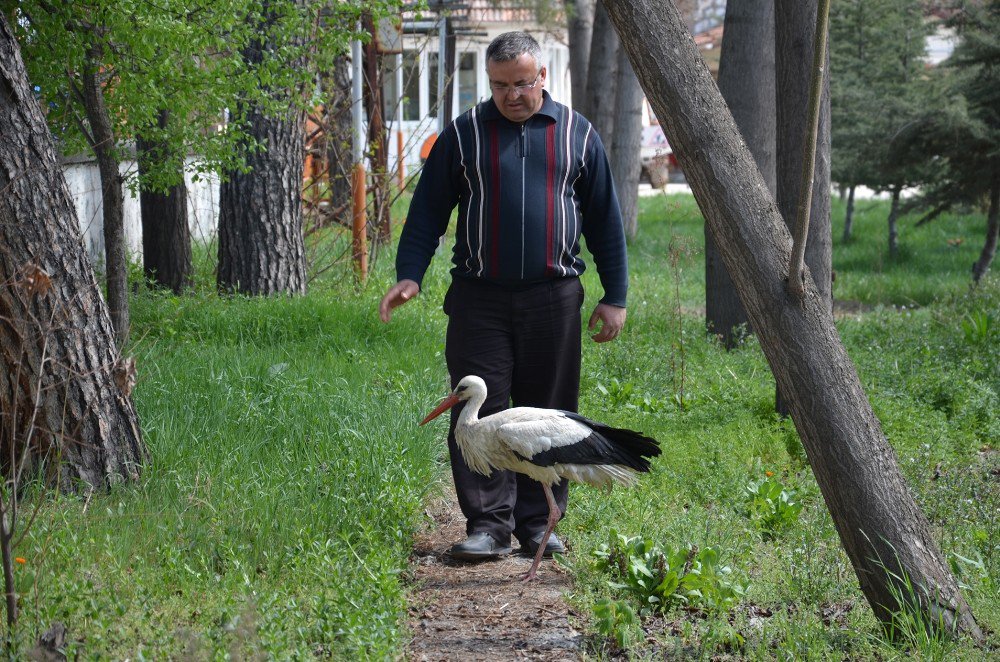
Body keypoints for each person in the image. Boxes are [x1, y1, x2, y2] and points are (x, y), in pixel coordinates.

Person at [379, 31, 628, 561]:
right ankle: (488, 527)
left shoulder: (577, 134)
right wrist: (410, 274)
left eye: (522, 83)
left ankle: (539, 525)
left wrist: (617, 294)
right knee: (475, 412)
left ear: (542, 77)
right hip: (479, 300)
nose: (511, 95)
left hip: (555, 298)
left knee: (551, 417)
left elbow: (606, 220)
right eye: (499, 85)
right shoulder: (463, 134)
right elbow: (427, 211)